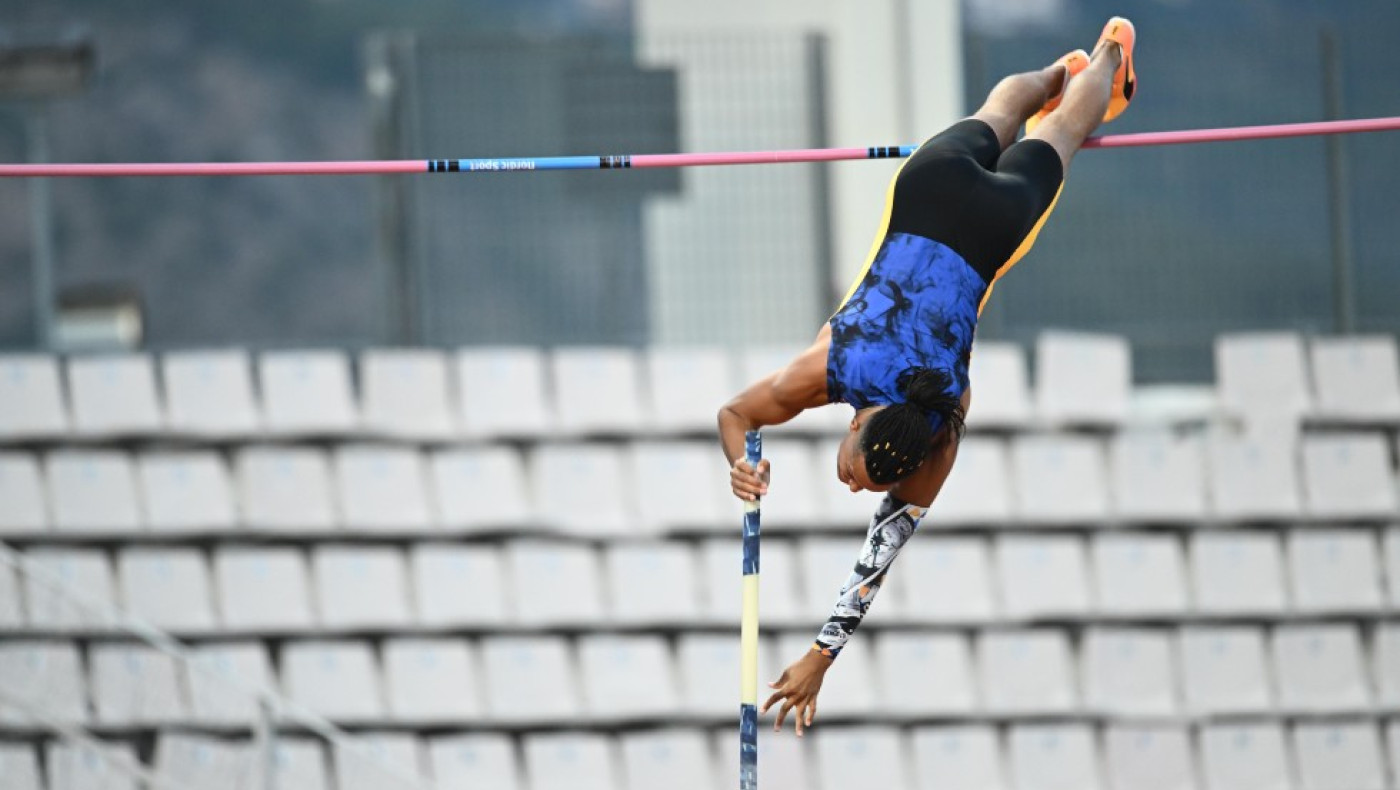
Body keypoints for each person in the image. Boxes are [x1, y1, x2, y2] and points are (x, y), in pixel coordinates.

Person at [715, 17, 1137, 736]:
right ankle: (1104, 60)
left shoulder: (941, 420)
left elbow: (740, 422)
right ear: (855, 420)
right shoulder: (835, 368)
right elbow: (739, 418)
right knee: (1046, 131)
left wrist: (739, 464)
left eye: (854, 480)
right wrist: (738, 466)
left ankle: (1092, 63)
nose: (850, 484)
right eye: (861, 479)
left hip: (968, 214)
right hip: (932, 203)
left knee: (1027, 122)